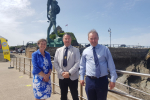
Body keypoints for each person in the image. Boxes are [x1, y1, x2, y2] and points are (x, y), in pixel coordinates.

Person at [79, 29, 118, 100]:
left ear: (98, 38)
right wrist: (81, 77)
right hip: (89, 80)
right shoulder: (85, 51)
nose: (93, 40)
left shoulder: (105, 49)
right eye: (91, 38)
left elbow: (111, 64)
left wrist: (113, 79)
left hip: (102, 80)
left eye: (95, 38)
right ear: (88, 39)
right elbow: (82, 65)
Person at [54, 33, 80, 100]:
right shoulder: (58, 50)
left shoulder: (76, 50)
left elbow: (77, 63)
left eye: (68, 39)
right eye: (65, 39)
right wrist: (61, 72)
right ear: (63, 40)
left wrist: (69, 73)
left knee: (75, 96)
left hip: (73, 77)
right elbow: (55, 63)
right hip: (62, 77)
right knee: (63, 96)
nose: (67, 40)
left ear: (71, 40)